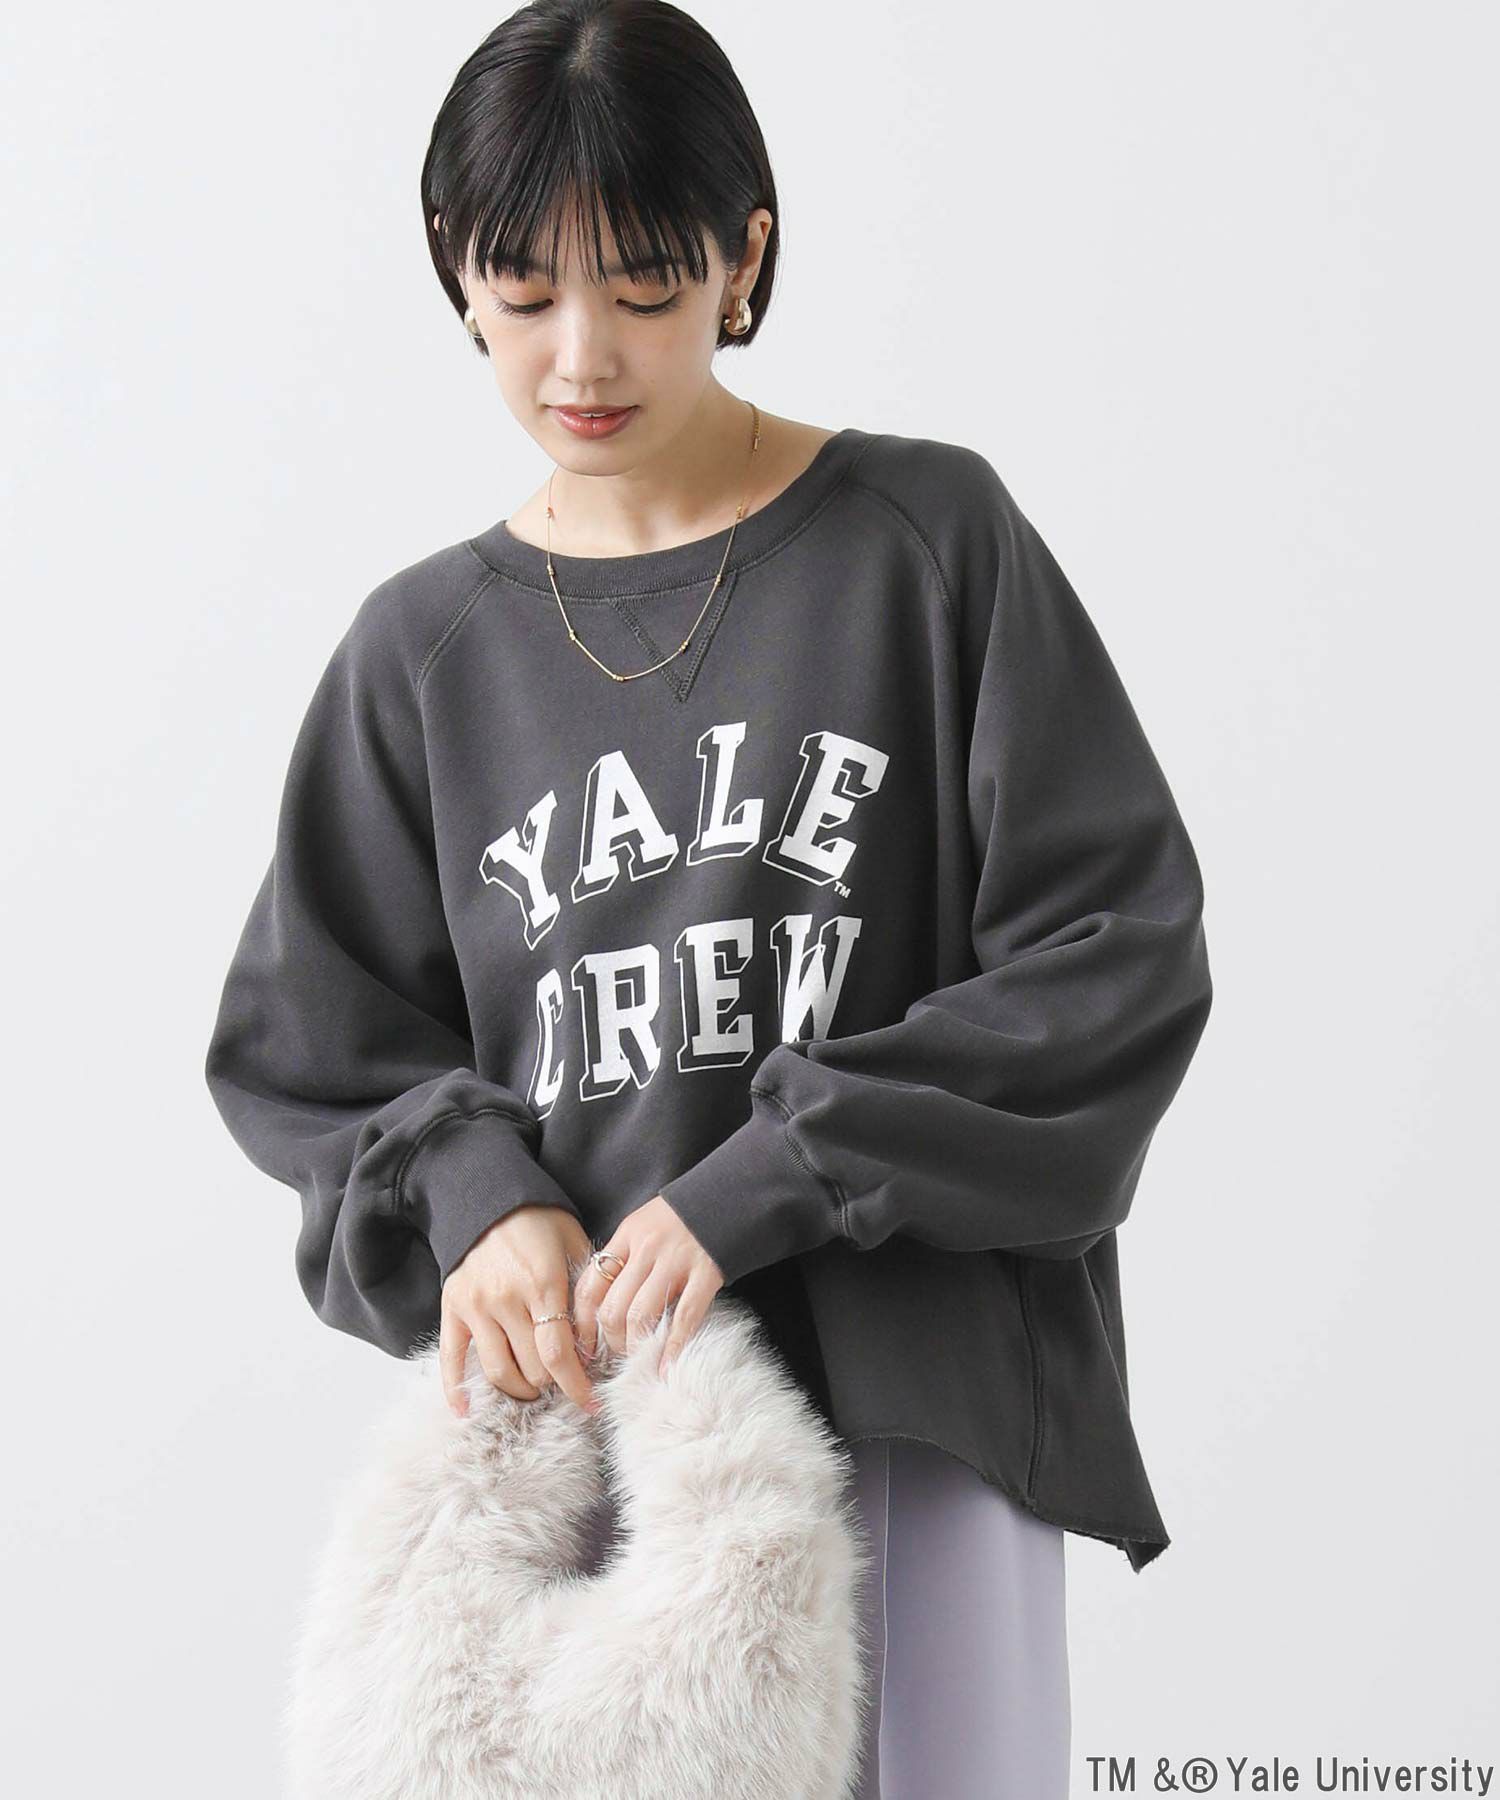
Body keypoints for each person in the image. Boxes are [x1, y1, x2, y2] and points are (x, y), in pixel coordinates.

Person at [203, 3, 1214, 1795]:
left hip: (911, 1399)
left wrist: (772, 1177)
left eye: (648, 287)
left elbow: (1111, 957)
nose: (582, 354)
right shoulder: (423, 654)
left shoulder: (924, 544)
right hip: (592, 1459)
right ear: (453, 267)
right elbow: (310, 1043)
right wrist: (480, 1198)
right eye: (525, 292)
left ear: (747, 256)